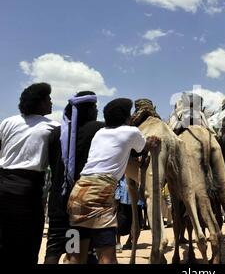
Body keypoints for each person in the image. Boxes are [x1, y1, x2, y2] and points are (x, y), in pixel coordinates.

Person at [66, 98, 158, 264]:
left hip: (78, 193)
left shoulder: (99, 133)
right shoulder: (131, 132)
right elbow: (143, 148)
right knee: (107, 258)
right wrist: (151, 143)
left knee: (75, 256)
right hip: (100, 195)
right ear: (126, 117)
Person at [0, 83, 58, 264]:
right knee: (29, 240)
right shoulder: (52, 127)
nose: (51, 102)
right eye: (48, 99)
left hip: (3, 184)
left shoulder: (8, 122)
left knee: (5, 240)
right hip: (29, 188)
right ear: (39, 103)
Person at [45, 91, 104, 264]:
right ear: (89, 109)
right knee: (76, 252)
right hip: (80, 200)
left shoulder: (56, 133)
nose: (96, 110)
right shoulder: (98, 129)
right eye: (94, 106)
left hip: (57, 200)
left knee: (53, 247)